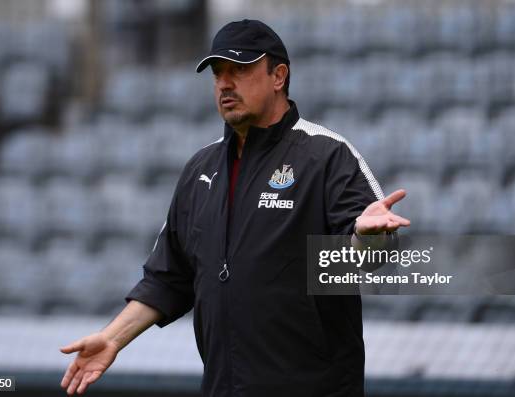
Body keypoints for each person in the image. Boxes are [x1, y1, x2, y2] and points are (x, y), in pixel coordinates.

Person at [60, 19, 410, 397]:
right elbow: (168, 277)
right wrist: (112, 339)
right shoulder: (200, 169)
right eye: (217, 73)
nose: (225, 84)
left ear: (278, 76)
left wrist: (367, 238)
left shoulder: (326, 155)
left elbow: (366, 257)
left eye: (239, 70)